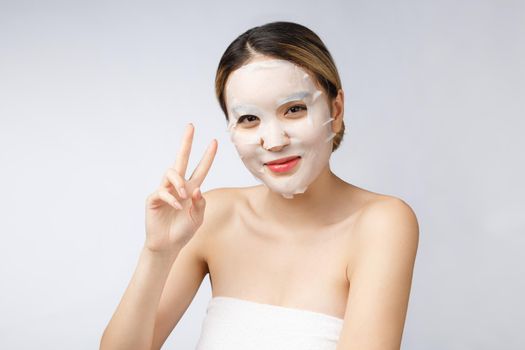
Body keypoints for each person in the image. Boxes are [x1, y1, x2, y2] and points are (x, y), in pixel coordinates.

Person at [100, 21, 419, 350]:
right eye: (249, 119)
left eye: (294, 110)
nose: (274, 141)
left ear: (335, 110)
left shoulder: (381, 223)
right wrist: (158, 253)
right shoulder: (213, 215)